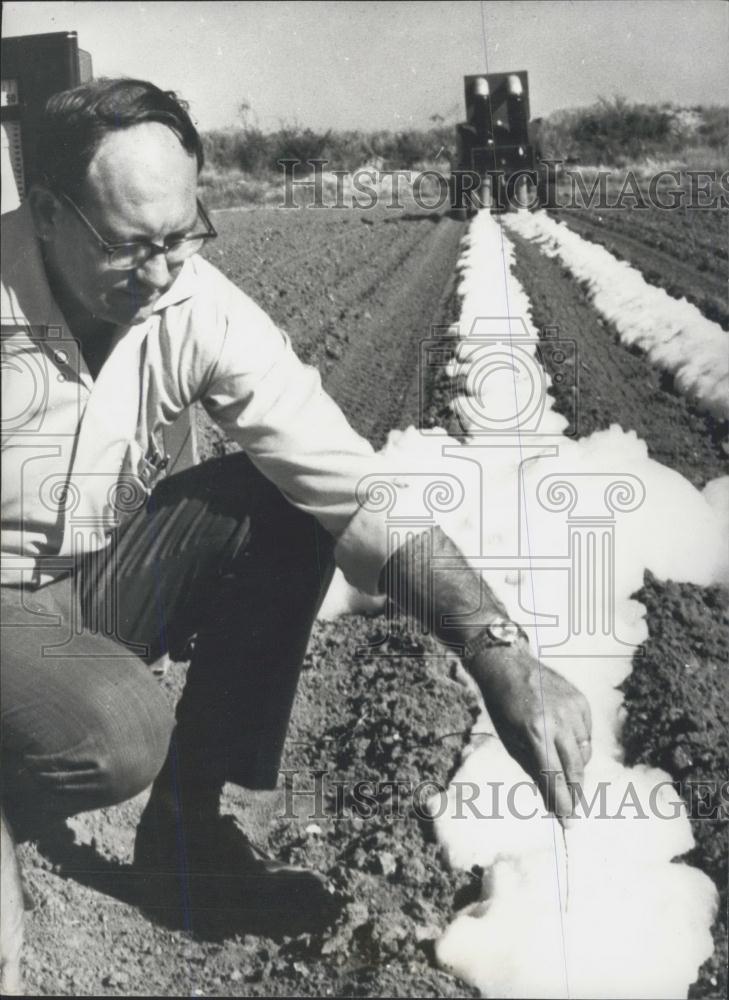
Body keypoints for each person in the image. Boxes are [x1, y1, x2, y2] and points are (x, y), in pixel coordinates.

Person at [0, 78, 591, 986]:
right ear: (45, 212)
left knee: (286, 502)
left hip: (81, 590)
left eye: (179, 236)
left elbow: (351, 489)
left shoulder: (191, 303)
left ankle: (187, 836)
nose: (161, 275)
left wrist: (496, 649)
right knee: (114, 728)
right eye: (128, 248)